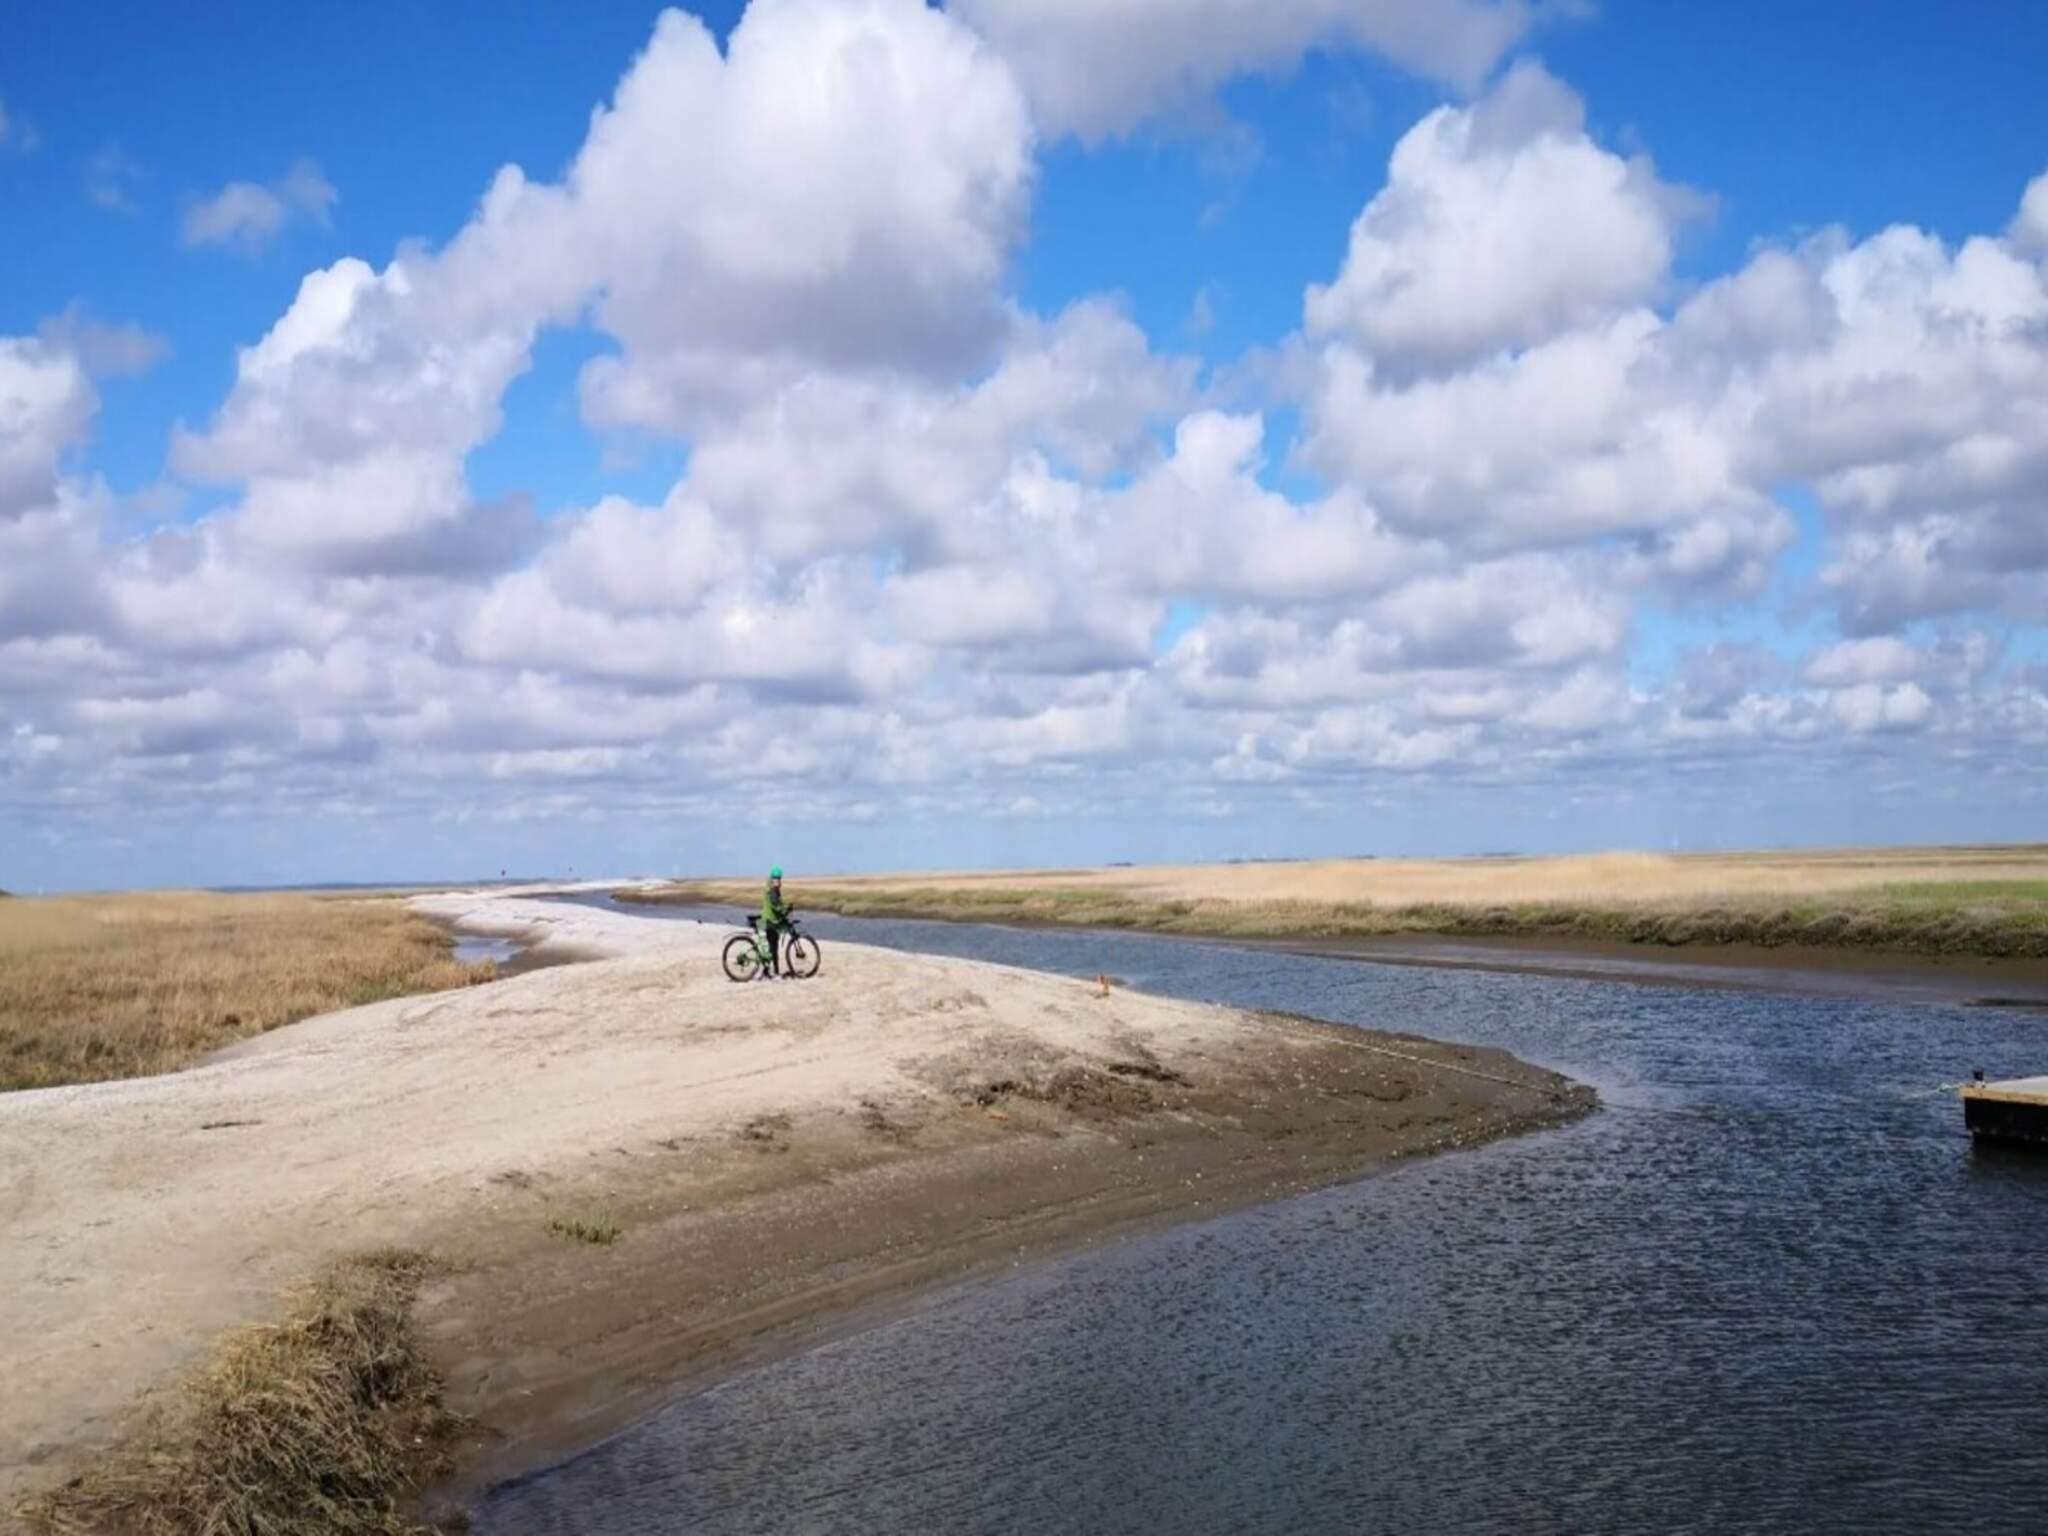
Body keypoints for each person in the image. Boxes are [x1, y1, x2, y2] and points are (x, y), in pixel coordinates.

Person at [759, 865, 792, 979]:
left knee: (770, 947)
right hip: (769, 920)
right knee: (773, 947)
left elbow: (779, 903)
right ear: (772, 878)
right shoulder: (773, 890)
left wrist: (785, 906)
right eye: (776, 878)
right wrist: (784, 910)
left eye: (779, 878)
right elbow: (775, 906)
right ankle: (776, 973)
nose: (778, 880)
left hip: (766, 919)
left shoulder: (771, 888)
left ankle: (766, 971)